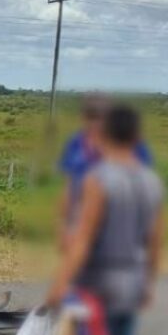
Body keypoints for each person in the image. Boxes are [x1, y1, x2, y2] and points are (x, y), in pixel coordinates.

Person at [46, 104, 164, 335]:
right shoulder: (151, 180)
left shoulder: (99, 179)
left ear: (106, 135)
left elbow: (83, 240)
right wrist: (148, 284)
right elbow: (155, 241)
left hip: (100, 282)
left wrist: (61, 285)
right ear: (137, 137)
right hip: (135, 276)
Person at [58, 94, 152, 246]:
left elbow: (145, 186)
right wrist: (65, 225)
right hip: (82, 217)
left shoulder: (130, 143)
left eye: (102, 116)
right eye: (91, 115)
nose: (96, 122)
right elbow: (69, 187)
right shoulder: (76, 144)